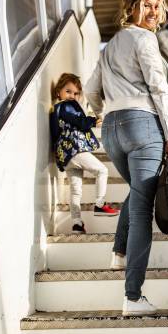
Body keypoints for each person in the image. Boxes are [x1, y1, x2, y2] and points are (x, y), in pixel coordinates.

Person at [85, 0, 168, 317]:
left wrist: (102, 112)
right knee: (142, 209)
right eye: (147, 5)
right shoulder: (144, 38)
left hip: (112, 129)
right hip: (143, 125)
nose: (153, 12)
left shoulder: (110, 46)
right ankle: (133, 297)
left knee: (138, 193)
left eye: (157, 5)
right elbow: (157, 86)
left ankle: (119, 251)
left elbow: (90, 88)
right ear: (133, 8)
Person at [50, 73, 119, 235]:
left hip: (66, 156)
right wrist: (93, 120)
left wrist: (59, 157)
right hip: (74, 149)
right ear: (58, 91)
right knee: (102, 170)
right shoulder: (65, 107)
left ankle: (77, 223)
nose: (72, 96)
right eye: (68, 91)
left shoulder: (56, 111)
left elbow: (55, 134)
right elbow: (79, 121)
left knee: (76, 190)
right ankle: (100, 205)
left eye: (75, 93)